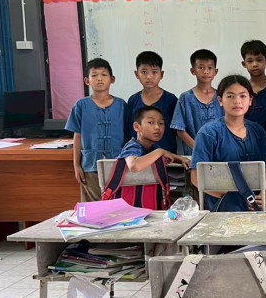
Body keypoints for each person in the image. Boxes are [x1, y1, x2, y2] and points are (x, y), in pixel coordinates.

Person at [190, 75, 266, 211]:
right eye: (230, 96)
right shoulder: (208, 133)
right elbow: (196, 177)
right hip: (223, 202)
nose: (237, 101)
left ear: (250, 100)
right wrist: (236, 197)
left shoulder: (258, 131)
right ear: (220, 101)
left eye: (243, 96)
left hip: (256, 201)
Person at [66, 58, 126, 202]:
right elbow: (77, 136)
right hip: (90, 165)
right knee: (93, 205)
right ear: (87, 81)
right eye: (94, 75)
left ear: (112, 79)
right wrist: (76, 165)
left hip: (117, 164)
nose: (99, 79)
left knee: (117, 204)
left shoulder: (122, 105)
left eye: (104, 75)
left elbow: (128, 135)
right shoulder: (81, 105)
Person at [125, 51, 178, 153]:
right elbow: (129, 131)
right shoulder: (133, 100)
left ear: (161, 74)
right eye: (144, 72)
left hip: (166, 155)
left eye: (154, 72)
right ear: (136, 74)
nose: (149, 77)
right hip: (139, 156)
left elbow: (177, 131)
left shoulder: (171, 100)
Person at [171, 49, 222, 155]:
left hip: (220, 153)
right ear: (193, 71)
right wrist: (198, 148)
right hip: (194, 154)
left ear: (215, 72)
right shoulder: (186, 98)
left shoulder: (222, 97)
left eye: (210, 68)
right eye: (201, 67)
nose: (206, 71)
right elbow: (180, 130)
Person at [118, 106, 190, 172]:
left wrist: (181, 159)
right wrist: (160, 152)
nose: (157, 127)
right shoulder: (132, 147)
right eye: (151, 122)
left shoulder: (152, 148)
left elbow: (167, 154)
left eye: (161, 123)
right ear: (137, 127)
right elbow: (134, 166)